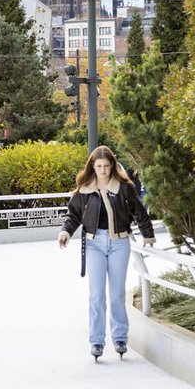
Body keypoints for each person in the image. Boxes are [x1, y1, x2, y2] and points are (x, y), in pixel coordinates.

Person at [57, 145, 155, 361]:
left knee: (117, 294)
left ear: (112, 166)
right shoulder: (84, 189)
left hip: (120, 242)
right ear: (93, 166)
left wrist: (148, 235)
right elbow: (73, 216)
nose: (103, 170)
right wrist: (65, 232)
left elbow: (139, 211)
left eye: (106, 166)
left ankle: (120, 337)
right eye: (99, 166)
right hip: (94, 244)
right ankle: (97, 341)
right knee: (97, 295)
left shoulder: (123, 188)